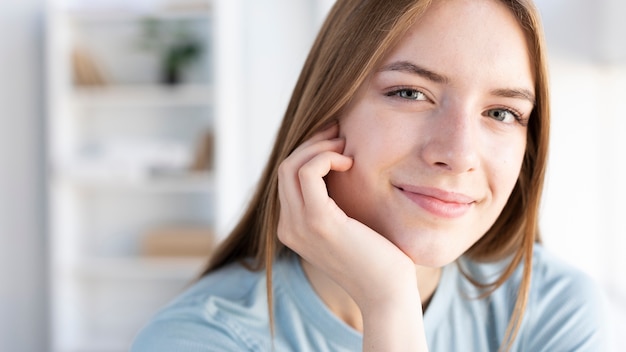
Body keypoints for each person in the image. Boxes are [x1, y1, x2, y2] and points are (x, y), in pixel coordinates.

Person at [132, 0, 609, 350]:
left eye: (502, 113)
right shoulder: (196, 339)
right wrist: (389, 304)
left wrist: (389, 305)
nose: (459, 153)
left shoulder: (553, 310)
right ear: (327, 108)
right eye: (409, 93)